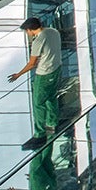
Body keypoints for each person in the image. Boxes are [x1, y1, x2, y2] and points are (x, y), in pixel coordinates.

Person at [9, 17, 63, 150]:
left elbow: (32, 63)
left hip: (44, 74)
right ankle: (52, 123)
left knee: (38, 103)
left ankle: (40, 134)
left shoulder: (38, 41)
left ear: (30, 30)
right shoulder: (53, 31)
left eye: (27, 31)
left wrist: (18, 74)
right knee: (51, 97)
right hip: (57, 69)